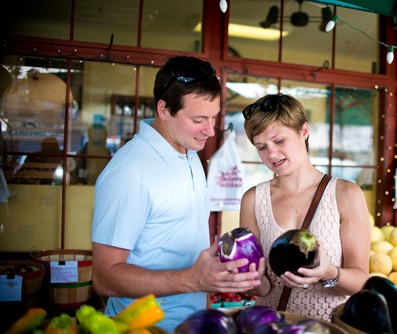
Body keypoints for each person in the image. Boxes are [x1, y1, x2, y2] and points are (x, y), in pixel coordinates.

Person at [91, 56, 261, 331]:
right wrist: (195, 280)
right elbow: (104, 277)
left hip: (194, 322)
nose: (210, 130)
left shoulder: (189, 151)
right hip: (146, 327)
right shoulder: (129, 172)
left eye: (214, 117)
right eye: (198, 119)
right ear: (164, 109)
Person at [239, 93, 371, 321]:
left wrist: (329, 273)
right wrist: (247, 276)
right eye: (261, 147)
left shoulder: (346, 194)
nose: (271, 153)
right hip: (271, 326)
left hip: (329, 327)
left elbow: (361, 282)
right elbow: (260, 289)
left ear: (304, 131)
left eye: (279, 141)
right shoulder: (253, 199)